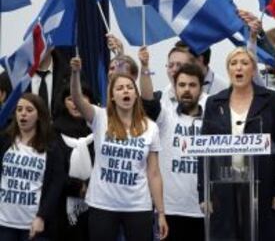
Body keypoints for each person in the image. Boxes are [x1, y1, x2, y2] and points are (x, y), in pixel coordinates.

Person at [70, 56, 168, 241]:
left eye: (130, 88)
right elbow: (77, 99)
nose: (126, 91)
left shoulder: (150, 127)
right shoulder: (99, 117)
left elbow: (154, 173)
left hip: (138, 206)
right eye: (120, 88)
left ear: (136, 94)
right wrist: (75, 74)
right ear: (112, 96)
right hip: (102, 205)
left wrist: (161, 213)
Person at [199, 47, 275, 241]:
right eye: (233, 64)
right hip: (223, 185)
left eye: (244, 63)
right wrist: (203, 193)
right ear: (228, 70)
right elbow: (203, 150)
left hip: (262, 183)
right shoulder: (214, 103)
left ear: (253, 69)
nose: (238, 68)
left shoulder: (271, 100)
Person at [139, 46, 206, 241]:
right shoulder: (165, 115)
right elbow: (148, 100)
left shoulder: (212, 114)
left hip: (204, 209)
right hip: (169, 210)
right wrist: (145, 67)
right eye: (182, 85)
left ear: (201, 89)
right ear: (175, 88)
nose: (186, 90)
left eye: (192, 85)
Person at [0, 93, 64, 240]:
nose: (23, 114)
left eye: (29, 110)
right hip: (4, 223)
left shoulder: (52, 147)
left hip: (33, 224)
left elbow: (56, 185)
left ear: (39, 115)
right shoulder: (4, 141)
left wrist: (42, 217)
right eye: (19, 109)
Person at [52, 84, 96, 241]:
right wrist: (79, 187)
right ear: (63, 103)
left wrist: (90, 185)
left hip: (95, 204)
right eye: (71, 99)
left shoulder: (99, 130)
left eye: (82, 97)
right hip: (60, 207)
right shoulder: (53, 132)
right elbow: (51, 171)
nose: (76, 102)